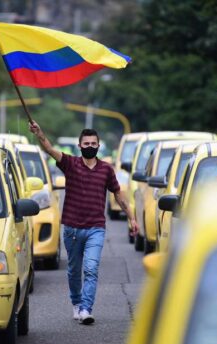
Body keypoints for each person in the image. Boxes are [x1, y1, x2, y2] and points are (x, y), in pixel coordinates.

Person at [29, 120, 138, 325]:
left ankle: (87, 308)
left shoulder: (106, 169)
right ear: (80, 146)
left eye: (93, 144)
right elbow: (51, 150)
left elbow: (118, 195)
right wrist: (39, 133)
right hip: (71, 228)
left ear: (98, 145)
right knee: (74, 270)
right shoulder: (70, 164)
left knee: (91, 267)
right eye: (86, 144)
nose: (90, 147)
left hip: (95, 228)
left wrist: (132, 218)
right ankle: (77, 304)